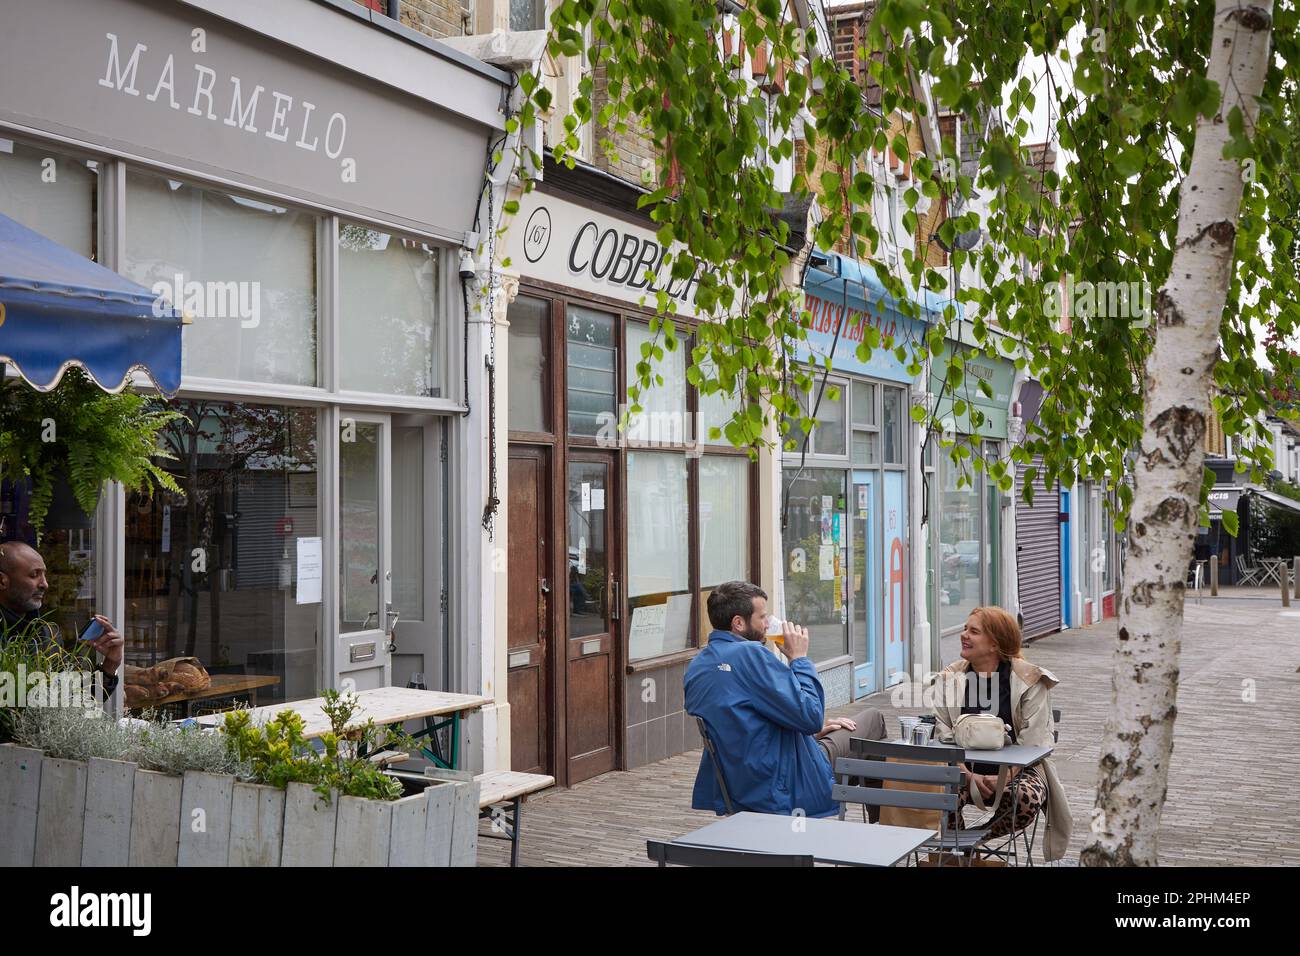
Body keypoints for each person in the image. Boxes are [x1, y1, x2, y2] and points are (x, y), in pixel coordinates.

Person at [685, 580, 886, 818]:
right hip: (785, 780)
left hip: (737, 784)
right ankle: (883, 827)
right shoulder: (752, 655)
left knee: (835, 732)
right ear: (738, 623)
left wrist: (808, 734)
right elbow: (811, 716)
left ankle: (848, 793)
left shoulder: (698, 665)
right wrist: (799, 659)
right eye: (762, 617)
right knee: (874, 721)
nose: (768, 624)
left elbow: (746, 720)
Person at [930, 606, 1072, 861]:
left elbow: (1034, 743)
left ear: (995, 644)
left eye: (973, 631)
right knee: (937, 792)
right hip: (960, 770)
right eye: (965, 628)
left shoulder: (1029, 679)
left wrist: (1006, 776)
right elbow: (943, 734)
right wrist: (968, 775)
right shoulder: (949, 677)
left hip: (1018, 772)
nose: (964, 635)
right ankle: (958, 858)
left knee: (1026, 799)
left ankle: (972, 841)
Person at [0, 541, 123, 698]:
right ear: (2, 581)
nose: (45, 584)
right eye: (34, 575)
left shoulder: (45, 634)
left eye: (44, 575)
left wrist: (111, 664)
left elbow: (76, 702)